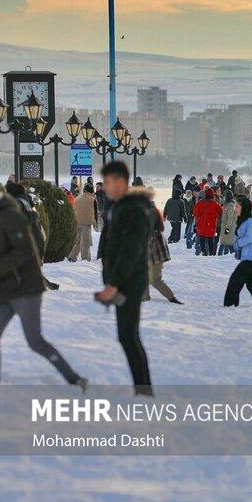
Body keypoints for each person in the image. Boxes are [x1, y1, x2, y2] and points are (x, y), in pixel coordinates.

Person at [0, 184, 87, 389]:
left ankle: (74, 378)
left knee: (35, 341)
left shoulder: (10, 215)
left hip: (25, 289)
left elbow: (25, 250)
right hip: (3, 291)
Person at [96, 161, 153, 395]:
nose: (105, 187)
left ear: (121, 182)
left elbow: (130, 251)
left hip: (129, 281)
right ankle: (142, 388)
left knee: (128, 336)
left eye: (109, 182)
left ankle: (144, 390)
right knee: (127, 336)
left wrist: (114, 283)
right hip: (122, 280)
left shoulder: (133, 210)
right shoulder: (118, 207)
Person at [224, 196, 252, 307]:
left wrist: (237, 244)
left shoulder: (250, 221)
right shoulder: (244, 220)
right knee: (251, 282)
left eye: (237, 206)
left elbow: (250, 237)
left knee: (235, 279)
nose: (235, 209)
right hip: (249, 256)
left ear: (244, 208)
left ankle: (230, 303)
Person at [145, 195, 183, 305]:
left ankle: (171, 298)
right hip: (155, 250)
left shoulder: (149, 214)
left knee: (155, 279)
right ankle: (144, 297)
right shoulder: (151, 211)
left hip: (155, 251)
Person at [68, 184, 96, 262]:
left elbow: (74, 209)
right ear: (92, 191)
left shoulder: (77, 198)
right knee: (86, 241)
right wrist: (95, 224)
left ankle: (72, 256)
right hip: (86, 223)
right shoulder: (93, 199)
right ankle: (85, 259)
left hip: (76, 221)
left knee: (78, 240)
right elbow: (96, 213)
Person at [193, 187, 222, 256]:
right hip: (211, 225)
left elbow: (195, 212)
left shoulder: (200, 203)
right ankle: (211, 253)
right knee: (210, 240)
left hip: (201, 225)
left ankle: (203, 252)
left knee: (202, 239)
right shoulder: (215, 204)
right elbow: (221, 212)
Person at [217, 190, 237, 255]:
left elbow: (230, 218)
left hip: (228, 227)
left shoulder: (230, 206)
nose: (223, 197)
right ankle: (227, 255)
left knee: (225, 242)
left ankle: (220, 255)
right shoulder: (229, 205)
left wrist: (227, 228)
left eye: (224, 196)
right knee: (227, 242)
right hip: (228, 226)